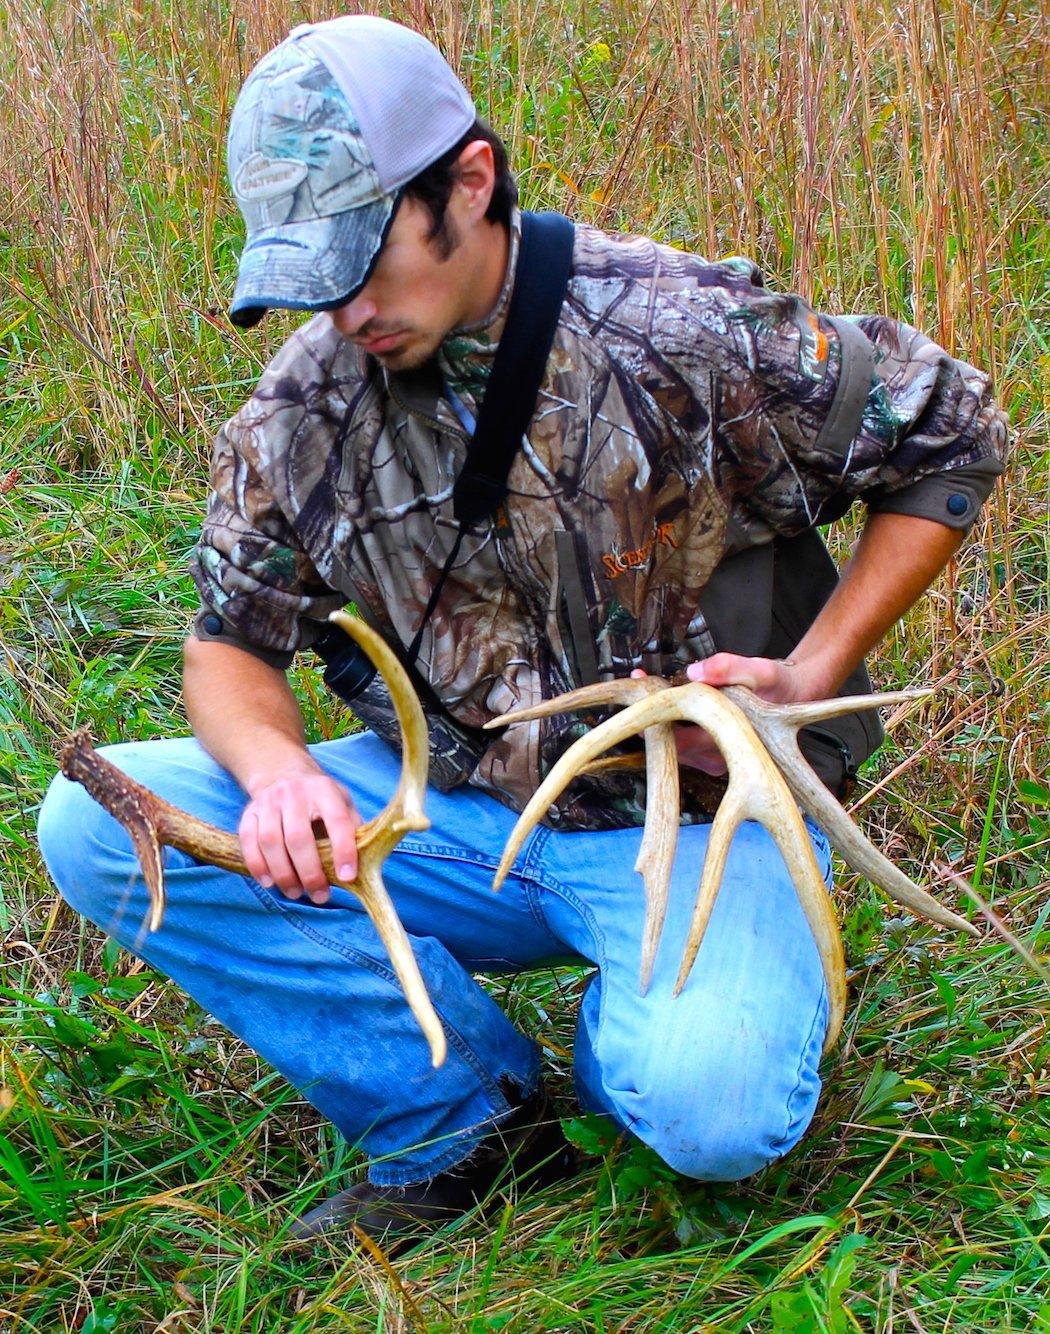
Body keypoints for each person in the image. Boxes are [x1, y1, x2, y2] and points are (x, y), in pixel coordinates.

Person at [38, 15, 1009, 1243]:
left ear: (472, 181)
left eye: (365, 258)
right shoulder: (302, 405)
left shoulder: (683, 330)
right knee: (103, 814)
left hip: (695, 836)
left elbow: (950, 437)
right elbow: (231, 641)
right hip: (440, 818)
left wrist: (807, 673)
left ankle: (649, 1038)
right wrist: (279, 775)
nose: (346, 311)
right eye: (312, 276)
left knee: (712, 1109)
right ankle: (466, 1115)